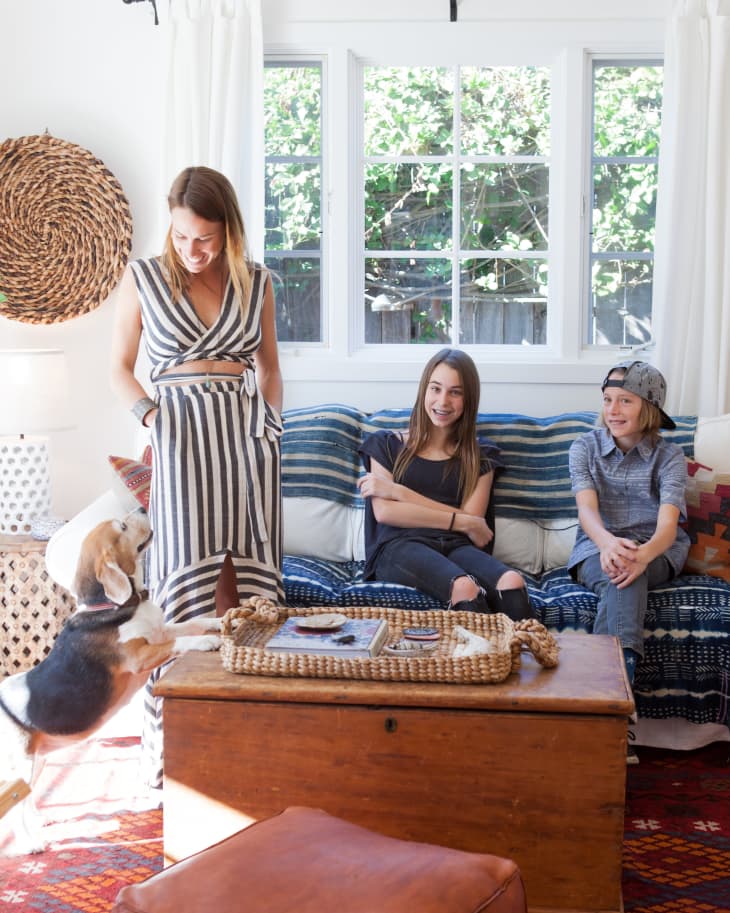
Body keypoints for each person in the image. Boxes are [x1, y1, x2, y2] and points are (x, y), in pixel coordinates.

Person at [110, 166, 283, 786]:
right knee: (186, 592)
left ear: (229, 231)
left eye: (205, 239)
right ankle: (174, 759)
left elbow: (268, 368)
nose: (191, 251)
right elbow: (119, 368)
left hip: (246, 442)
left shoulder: (257, 283)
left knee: (244, 588)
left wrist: (272, 429)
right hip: (178, 440)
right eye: (182, 237)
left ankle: (255, 743)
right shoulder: (145, 278)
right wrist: (152, 417)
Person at [358, 347, 531, 619]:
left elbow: (475, 522)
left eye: (456, 392)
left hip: (456, 546)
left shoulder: (481, 456)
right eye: (435, 389)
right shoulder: (385, 445)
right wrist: (462, 521)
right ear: (423, 391)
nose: (443, 401)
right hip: (398, 546)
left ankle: (524, 657)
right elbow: (386, 512)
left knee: (512, 582)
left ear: (468, 399)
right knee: (463, 587)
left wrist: (399, 491)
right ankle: (482, 660)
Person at [567, 360, 689, 743]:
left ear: (648, 408)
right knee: (621, 575)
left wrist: (643, 554)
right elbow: (587, 511)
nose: (612, 411)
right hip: (595, 546)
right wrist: (607, 543)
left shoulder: (669, 456)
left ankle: (605, 704)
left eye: (625, 401)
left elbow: (668, 527)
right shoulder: (584, 447)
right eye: (607, 400)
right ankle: (619, 703)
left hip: (656, 550)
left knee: (627, 574)